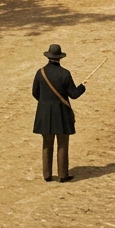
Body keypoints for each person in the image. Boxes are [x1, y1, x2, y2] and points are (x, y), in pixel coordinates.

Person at [32, 44, 87, 182]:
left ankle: (47, 175)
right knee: (62, 144)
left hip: (44, 113)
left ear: (48, 56)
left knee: (47, 144)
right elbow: (73, 94)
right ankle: (63, 175)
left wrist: (46, 103)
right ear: (60, 57)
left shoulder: (40, 72)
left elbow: (35, 93)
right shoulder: (65, 74)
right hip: (61, 113)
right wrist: (82, 87)